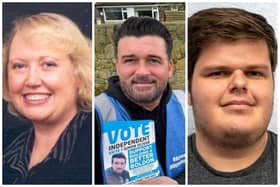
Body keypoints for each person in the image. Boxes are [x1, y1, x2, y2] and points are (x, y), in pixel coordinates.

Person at [188, 7, 277, 184]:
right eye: (218, 73)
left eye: (254, 73)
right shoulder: (167, 170)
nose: (239, 83)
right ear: (189, 91)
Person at [3, 12, 92, 184]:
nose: (32, 80)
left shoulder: (97, 146)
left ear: (79, 74)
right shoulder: (7, 146)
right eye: (19, 66)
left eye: (48, 64)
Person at [95, 16, 185, 184]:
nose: (142, 71)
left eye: (153, 60)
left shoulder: (187, 107)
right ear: (117, 67)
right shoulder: (91, 117)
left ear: (170, 68)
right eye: (130, 60)